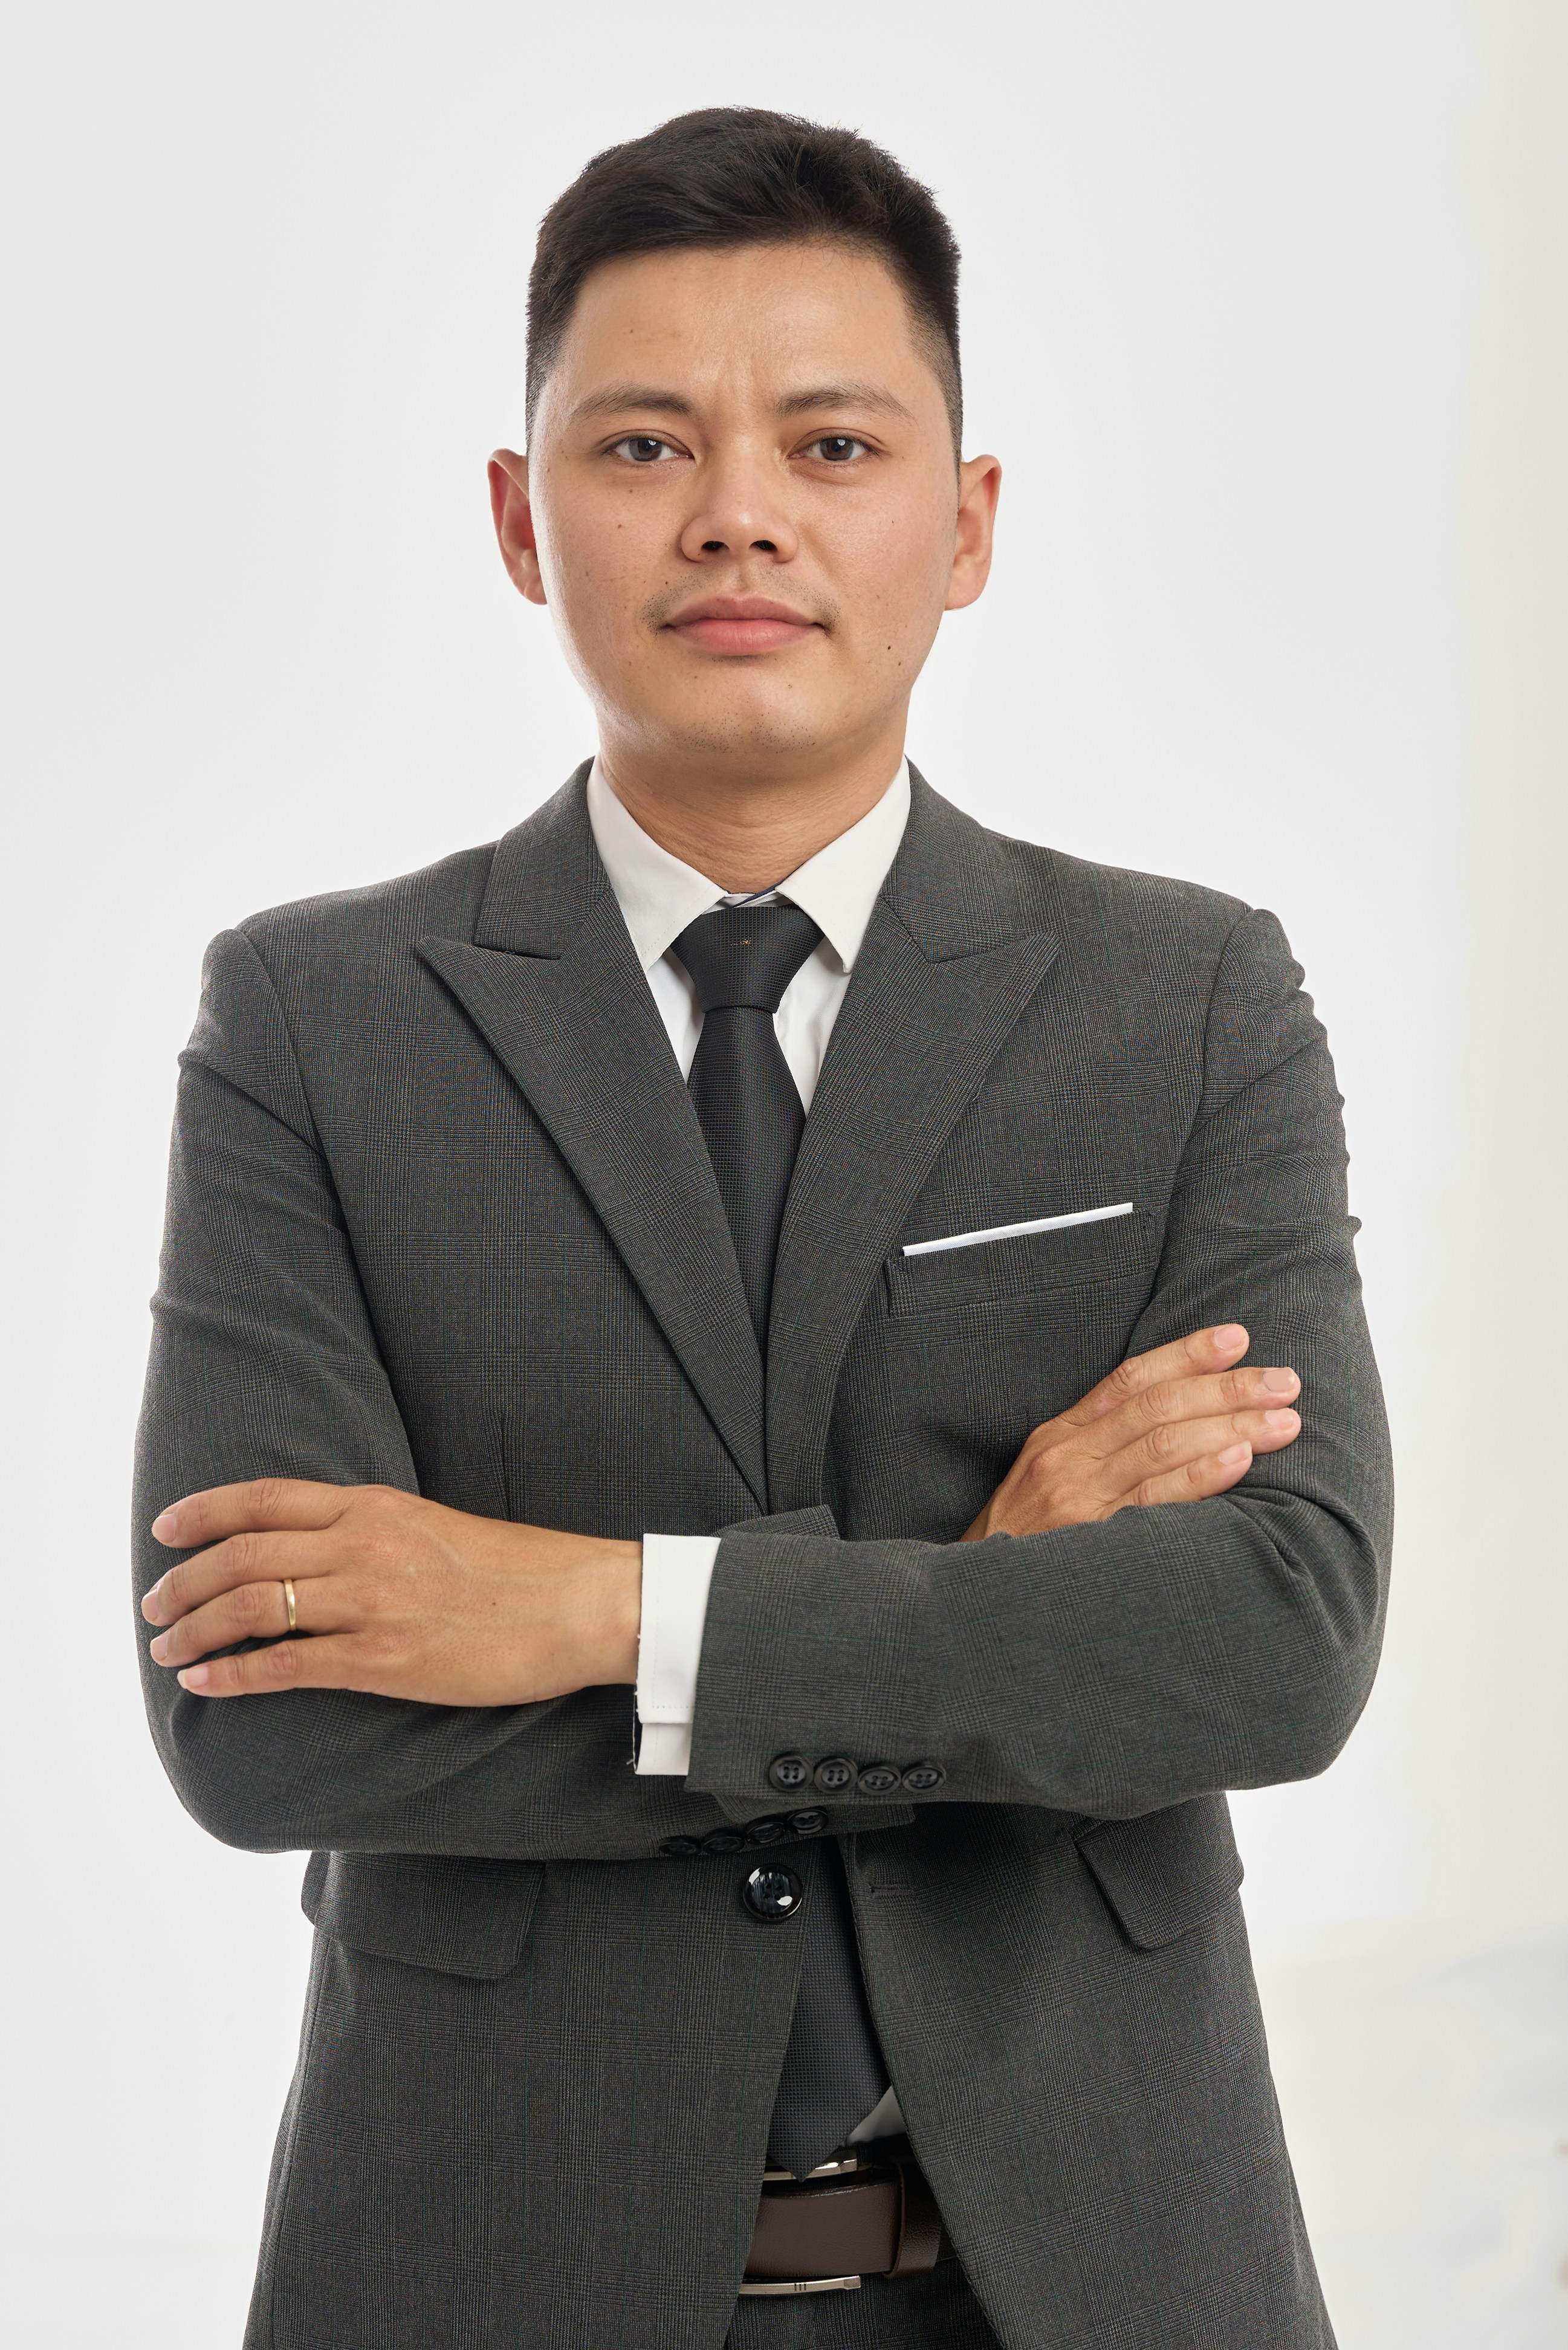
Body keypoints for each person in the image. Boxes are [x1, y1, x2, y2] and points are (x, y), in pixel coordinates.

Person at [134, 107, 1391, 2350]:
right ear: (519, 517)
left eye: (831, 443)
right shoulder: (318, 1021)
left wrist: (589, 1610)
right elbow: (263, 1722)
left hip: (1094, 2276)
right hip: (478, 2275)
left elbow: (1269, 1642)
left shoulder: (1183, 1000)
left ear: (964, 522)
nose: (737, 512)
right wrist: (987, 1603)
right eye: (641, 446)